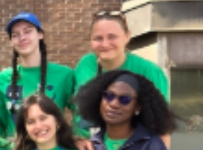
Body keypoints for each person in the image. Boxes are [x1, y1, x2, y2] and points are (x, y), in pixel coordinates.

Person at [72, 11, 171, 142]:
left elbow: (162, 125)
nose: (105, 44)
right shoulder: (85, 65)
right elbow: (73, 106)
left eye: (112, 37)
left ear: (127, 36)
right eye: (98, 38)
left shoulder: (149, 72)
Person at [0, 12, 75, 143]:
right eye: (15, 35)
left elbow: (82, 113)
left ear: (40, 34)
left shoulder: (64, 75)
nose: (22, 38)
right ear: (11, 41)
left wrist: (75, 138)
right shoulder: (2, 79)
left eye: (27, 31)